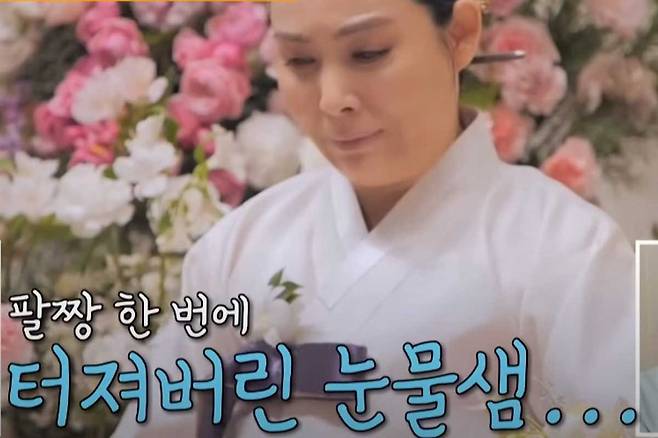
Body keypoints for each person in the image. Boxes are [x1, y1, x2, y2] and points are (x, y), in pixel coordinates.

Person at [113, 0, 635, 436]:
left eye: (368, 53)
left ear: (459, 34)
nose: (333, 99)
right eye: (300, 60)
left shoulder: (570, 250)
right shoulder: (241, 244)